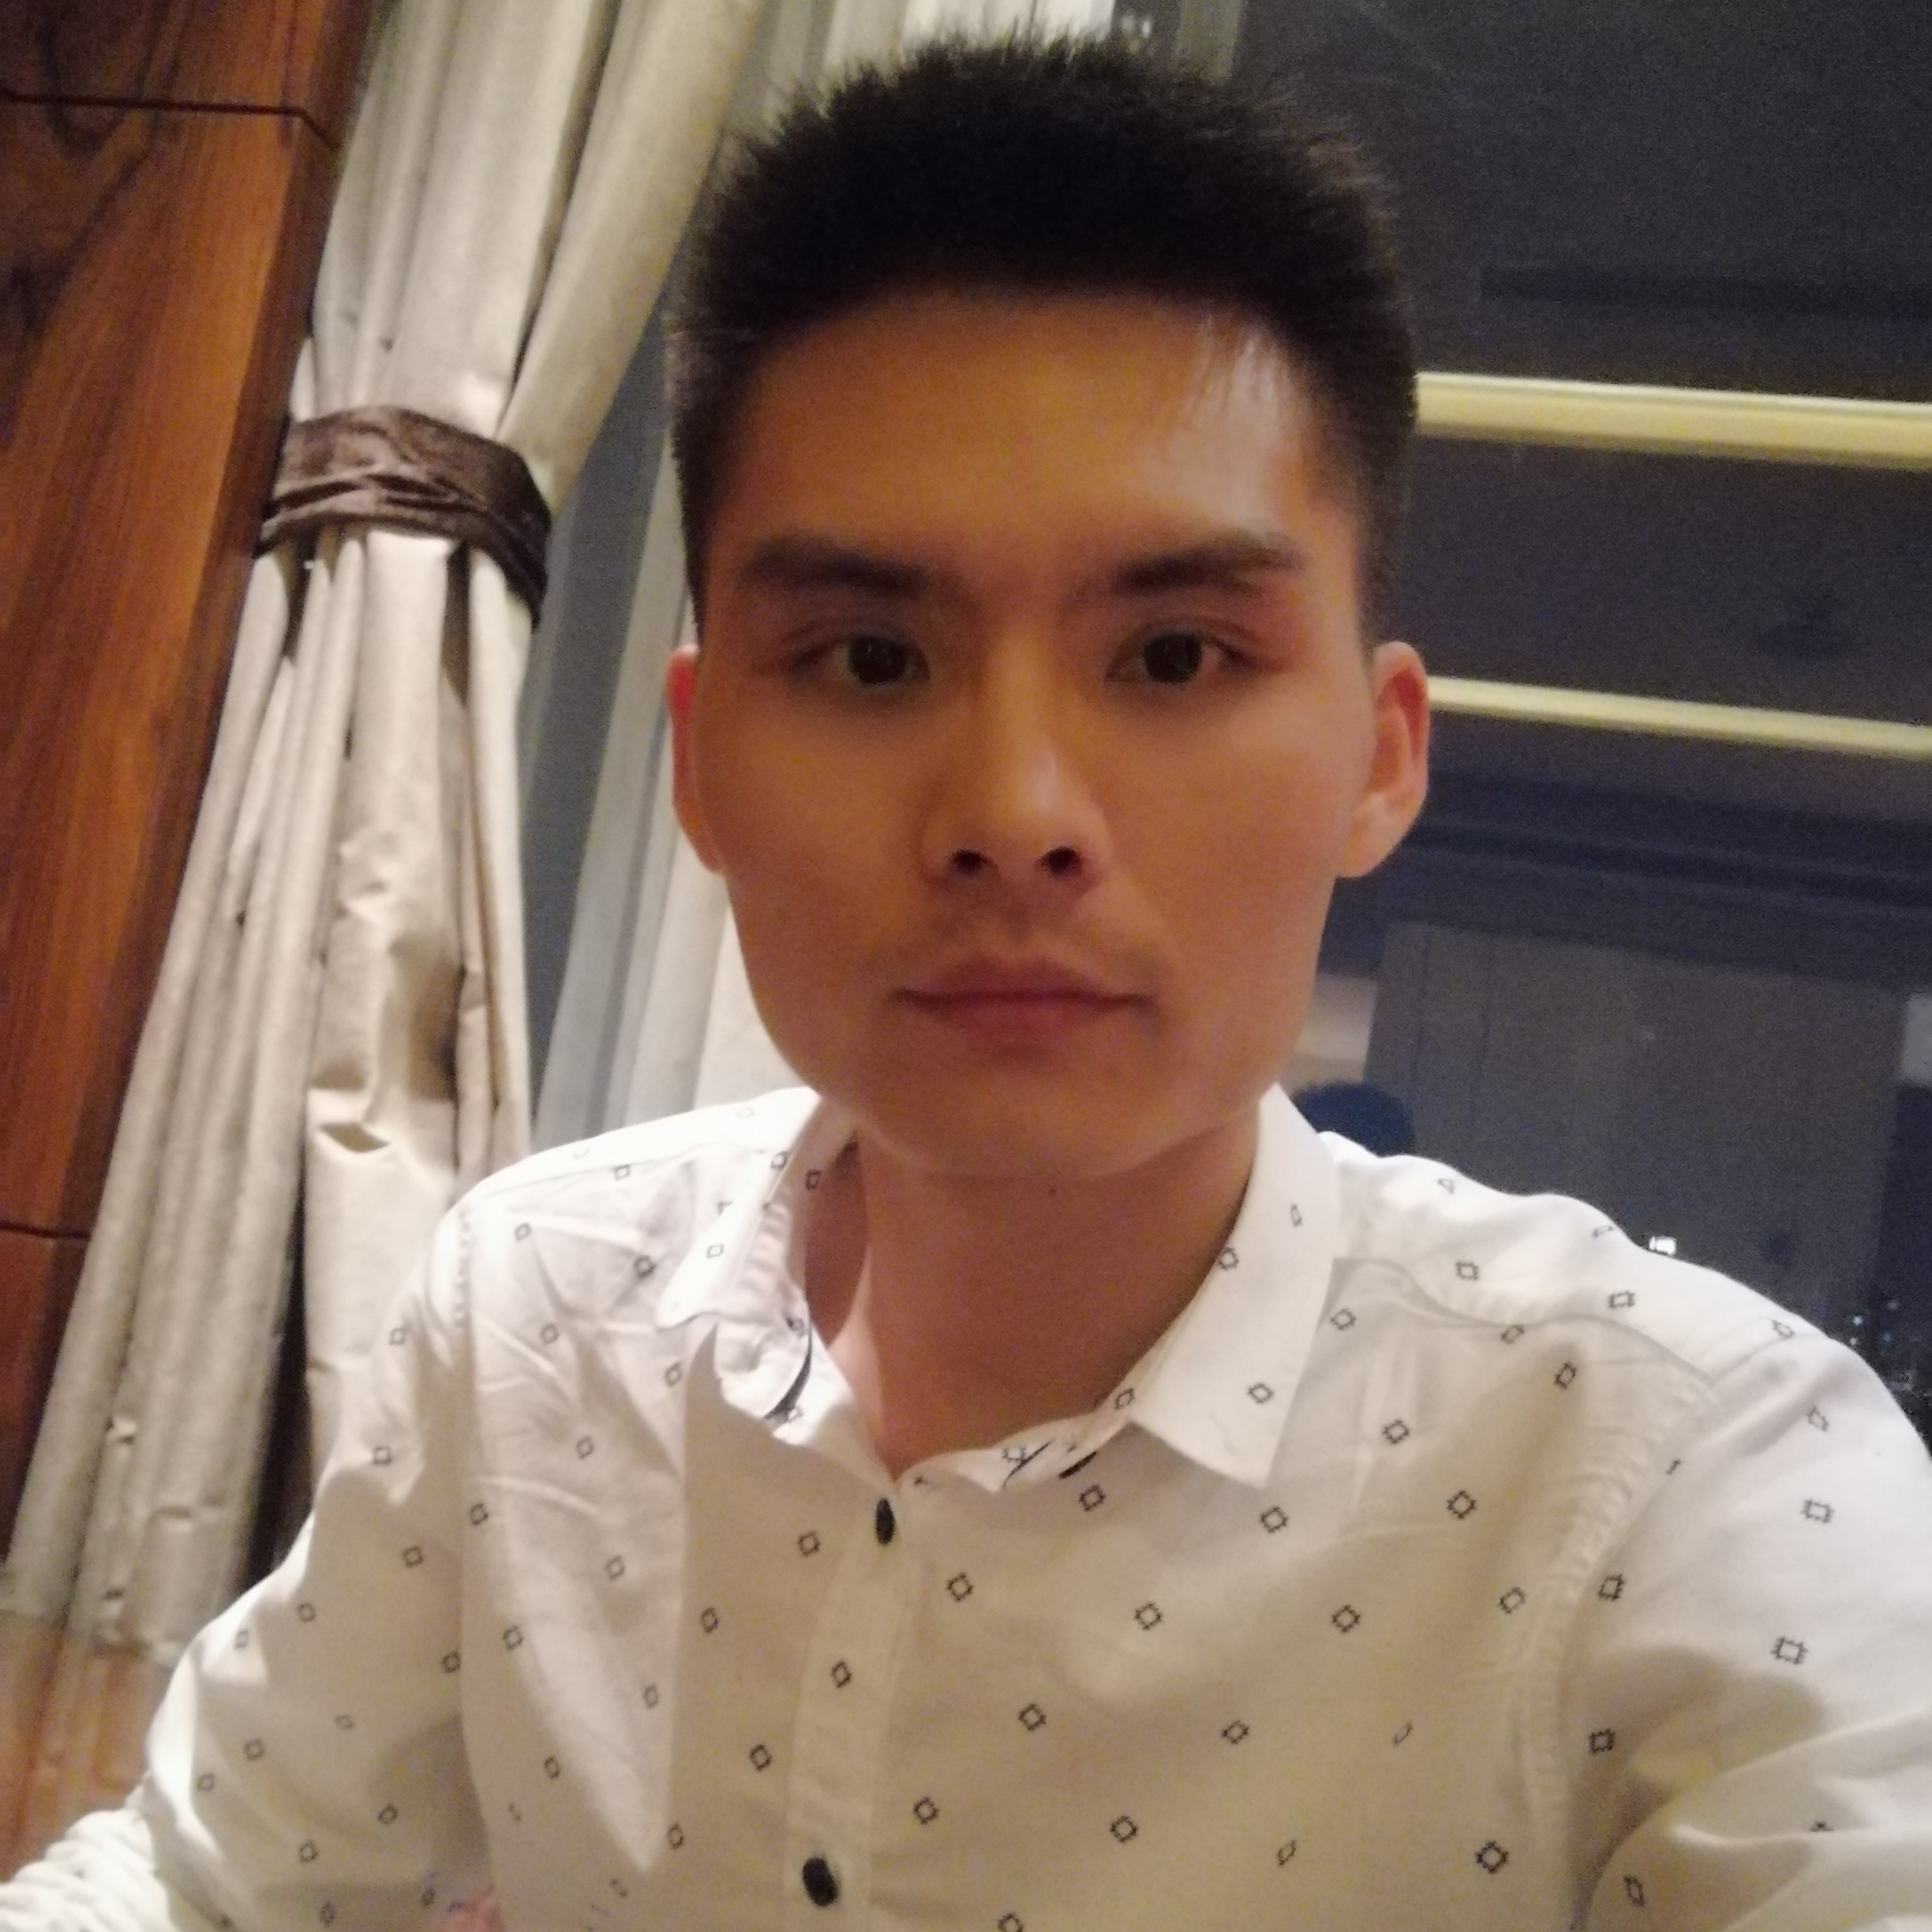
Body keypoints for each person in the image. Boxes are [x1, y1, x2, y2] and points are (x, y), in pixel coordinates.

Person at [7, 36, 1931, 1932]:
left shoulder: (1682, 1478)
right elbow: (207, 1873)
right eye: (868, 659)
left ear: (1381, 756)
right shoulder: (536, 1306)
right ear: (699, 761)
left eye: (1175, 657)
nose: (1014, 817)